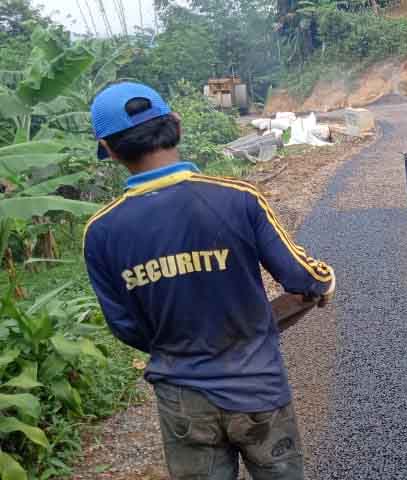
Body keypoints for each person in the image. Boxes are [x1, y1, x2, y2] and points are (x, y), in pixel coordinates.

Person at [84, 82, 335, 478]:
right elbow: (302, 278)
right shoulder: (238, 198)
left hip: (183, 400)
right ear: (178, 126)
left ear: (110, 150)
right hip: (258, 390)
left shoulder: (100, 232)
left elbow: (126, 328)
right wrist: (323, 281)